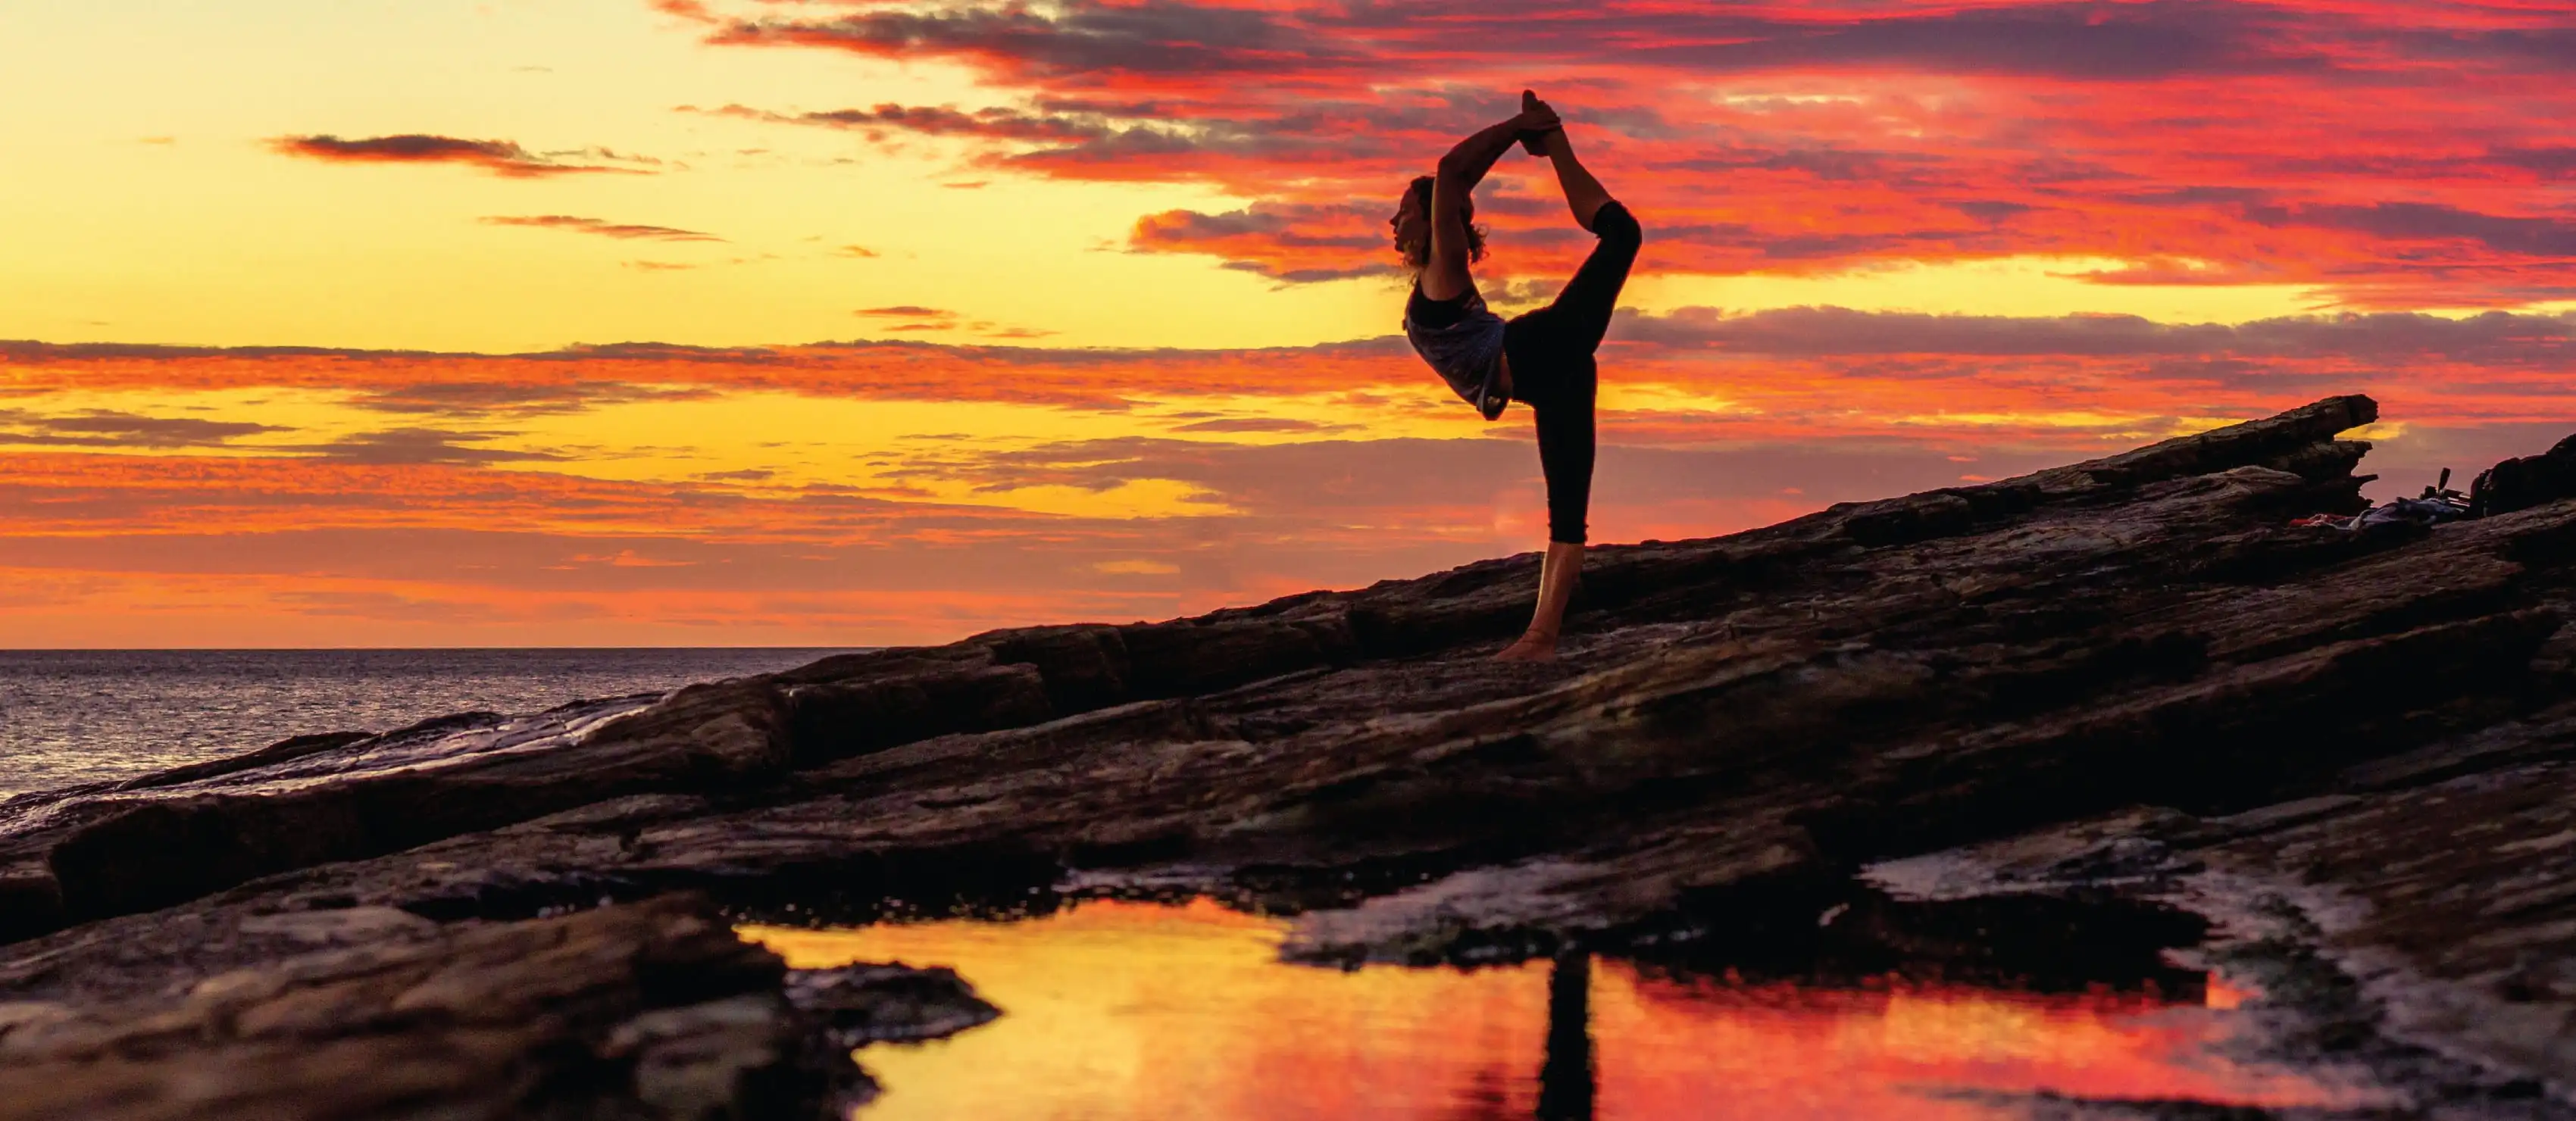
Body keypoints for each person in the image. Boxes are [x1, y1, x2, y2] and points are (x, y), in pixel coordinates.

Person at [1393, 90, 1641, 662]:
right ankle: (1540, 641)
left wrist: (1520, 127)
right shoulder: (1425, 285)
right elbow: (1451, 181)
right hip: (1552, 380)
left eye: (1404, 209)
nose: (1393, 218)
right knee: (1568, 518)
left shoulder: (1445, 264)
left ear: (1435, 221)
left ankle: (1555, 144)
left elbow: (1453, 172)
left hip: (1540, 349)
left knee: (1624, 234)